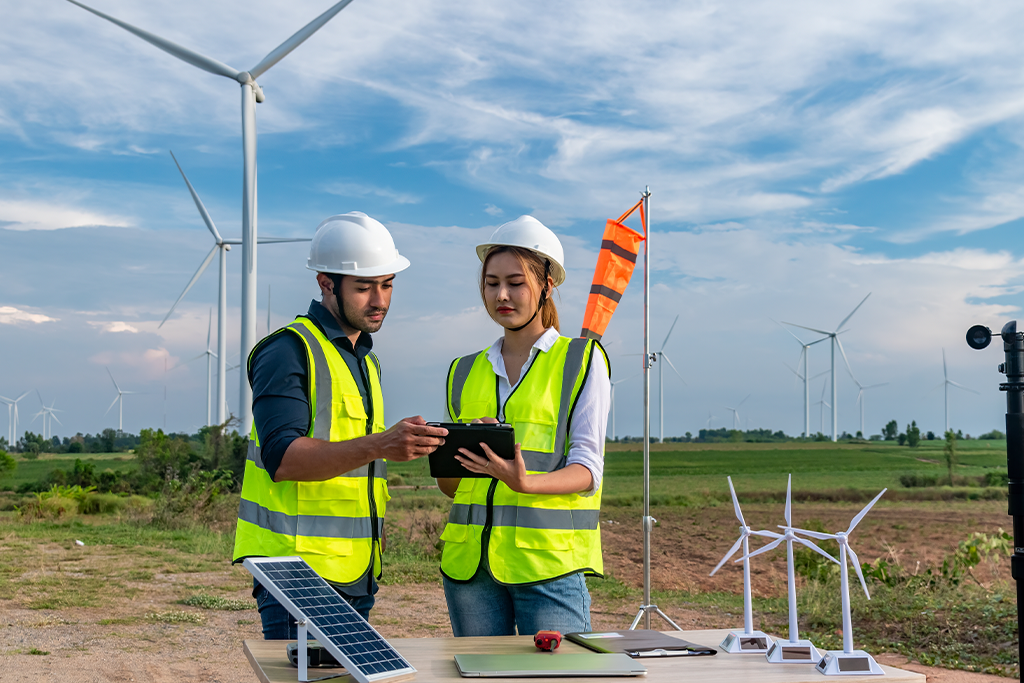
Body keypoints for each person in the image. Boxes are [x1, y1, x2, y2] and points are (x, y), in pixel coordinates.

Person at [232, 211, 448, 639]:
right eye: (365, 287)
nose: (380, 300)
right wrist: (380, 445)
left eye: (387, 285)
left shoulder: (367, 362)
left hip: (356, 570)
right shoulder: (288, 351)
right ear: (325, 283)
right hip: (298, 573)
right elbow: (282, 457)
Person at [436, 215, 611, 637]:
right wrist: (449, 452)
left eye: (516, 282)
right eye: (491, 282)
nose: (502, 294)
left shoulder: (582, 360)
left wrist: (524, 481)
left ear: (547, 284)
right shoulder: (462, 370)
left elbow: (587, 470)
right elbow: (451, 487)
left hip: (546, 567)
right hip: (470, 568)